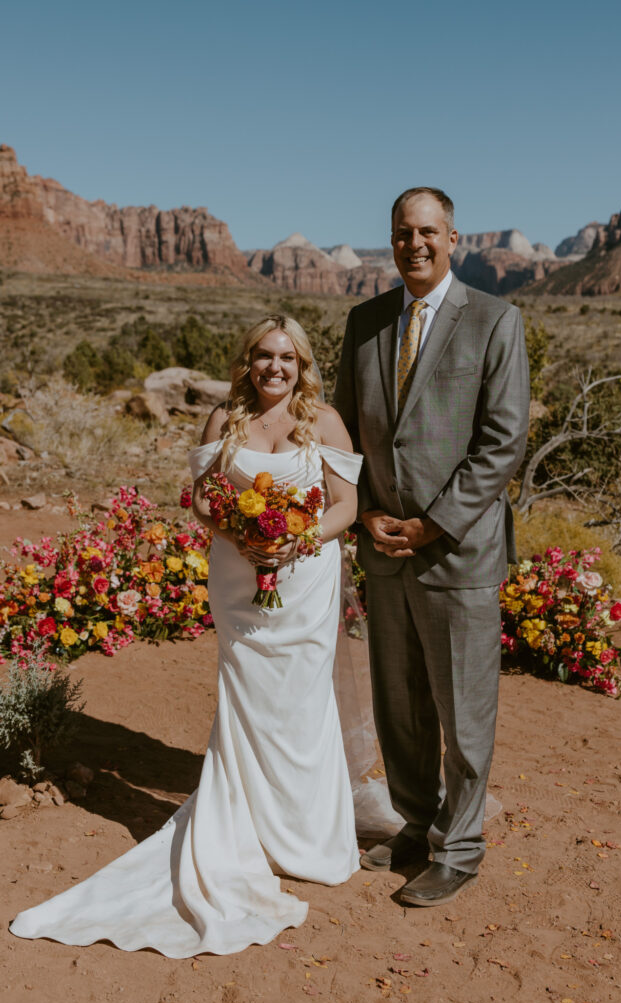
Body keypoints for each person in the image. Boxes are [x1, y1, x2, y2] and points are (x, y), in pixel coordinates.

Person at [10, 315, 363, 957]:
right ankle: (245, 831)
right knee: (248, 700)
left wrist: (296, 539)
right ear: (248, 360)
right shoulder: (224, 420)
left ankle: (306, 840)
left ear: (302, 363)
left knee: (302, 703)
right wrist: (243, 537)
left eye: (287, 357)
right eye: (263, 355)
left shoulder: (326, 421)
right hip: (238, 579)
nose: (275, 368)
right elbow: (202, 500)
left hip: (305, 582)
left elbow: (346, 505)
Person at [334, 187, 530, 907]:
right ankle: (415, 825)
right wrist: (363, 519)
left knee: (462, 708)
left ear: (453, 237)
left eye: (425, 232)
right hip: (384, 547)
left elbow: (501, 439)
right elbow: (344, 436)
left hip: (457, 550)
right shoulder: (364, 323)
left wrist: (432, 522)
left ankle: (460, 846)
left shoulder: (494, 320)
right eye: (399, 233)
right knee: (399, 704)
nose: (411, 244)